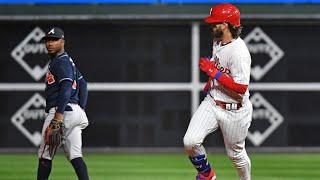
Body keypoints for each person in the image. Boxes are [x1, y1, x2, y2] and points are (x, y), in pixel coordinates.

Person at [183, 3, 253, 180]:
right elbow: (217, 67)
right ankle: (207, 175)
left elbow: (241, 89)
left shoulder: (239, 52)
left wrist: (214, 72)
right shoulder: (218, 41)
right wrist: (211, 80)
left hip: (235, 110)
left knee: (236, 155)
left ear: (228, 24)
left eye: (216, 22)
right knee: (190, 141)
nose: (212, 25)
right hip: (213, 102)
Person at [37, 27, 90, 180]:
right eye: (47, 40)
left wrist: (58, 117)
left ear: (62, 42)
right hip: (74, 112)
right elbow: (84, 85)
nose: (49, 43)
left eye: (54, 40)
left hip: (61, 112)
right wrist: (81, 108)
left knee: (45, 155)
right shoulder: (68, 62)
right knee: (75, 155)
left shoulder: (60, 62)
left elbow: (66, 87)